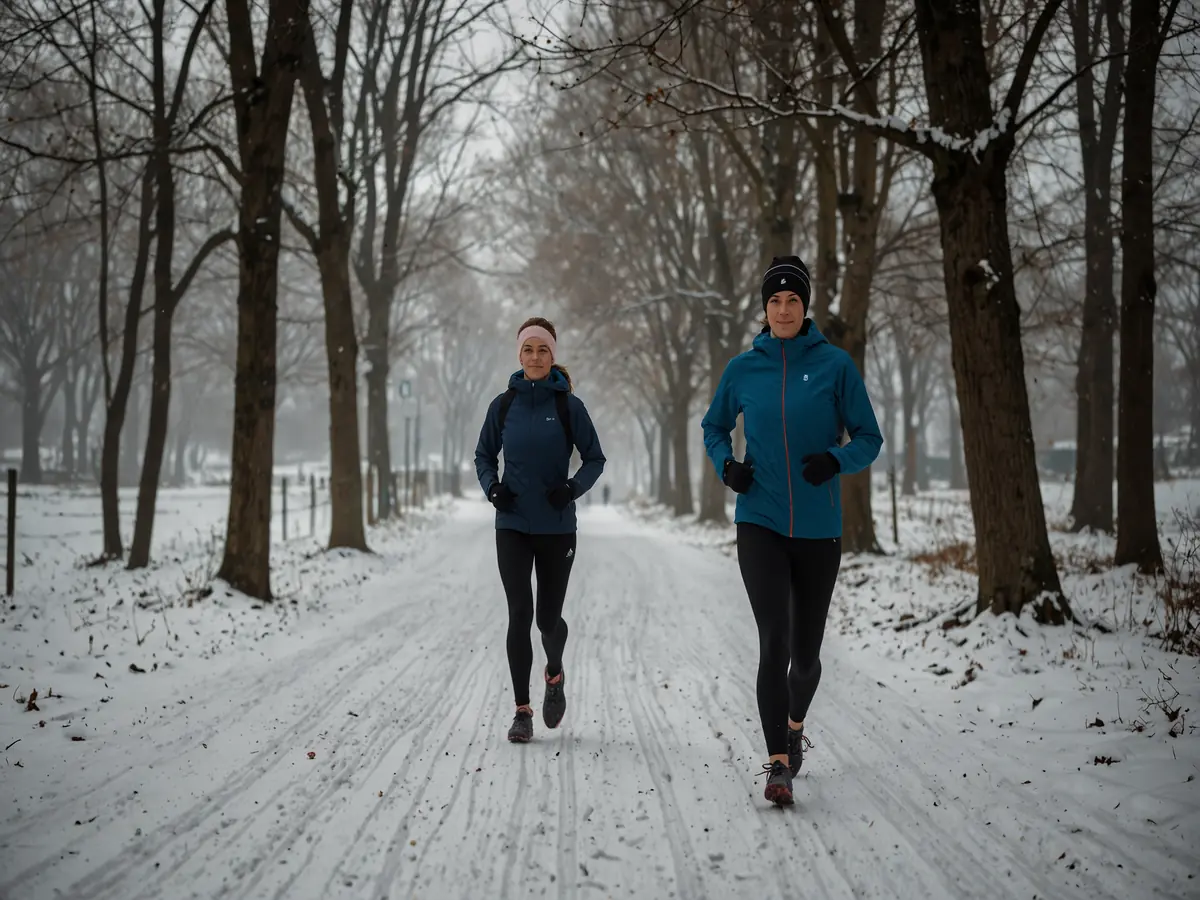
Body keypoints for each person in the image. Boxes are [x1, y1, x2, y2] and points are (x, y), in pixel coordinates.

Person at [700, 256, 883, 806]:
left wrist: (836, 460)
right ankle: (778, 763)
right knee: (773, 641)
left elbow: (869, 438)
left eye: (792, 301)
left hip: (819, 529)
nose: (783, 309)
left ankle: (795, 721)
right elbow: (713, 426)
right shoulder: (742, 369)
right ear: (764, 307)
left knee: (806, 656)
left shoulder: (835, 366)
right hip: (759, 520)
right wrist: (727, 467)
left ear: (806, 307)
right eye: (774, 301)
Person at [475, 316, 606, 743]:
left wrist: (570, 489)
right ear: (519, 354)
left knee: (548, 620)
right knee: (520, 614)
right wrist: (493, 490)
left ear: (553, 356)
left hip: (556, 528)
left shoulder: (569, 406)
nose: (535, 357)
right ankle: (522, 711)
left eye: (543, 350)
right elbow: (482, 455)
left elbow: (594, 459)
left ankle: (554, 673)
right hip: (511, 524)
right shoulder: (504, 405)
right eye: (528, 349)